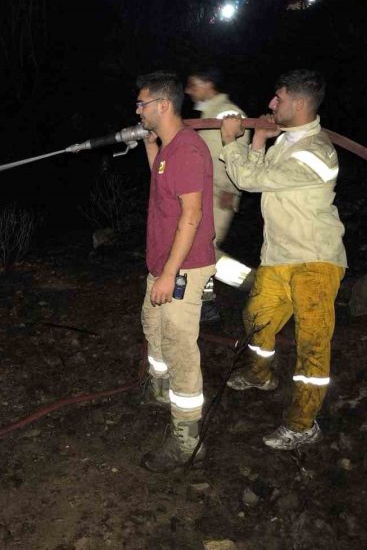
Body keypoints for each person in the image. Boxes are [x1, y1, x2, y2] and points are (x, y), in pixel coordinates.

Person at [219, 69, 347, 450]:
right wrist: (258, 138)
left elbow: (250, 180)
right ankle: (260, 375)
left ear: (301, 103)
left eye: (279, 99)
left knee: (312, 344)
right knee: (257, 320)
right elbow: (261, 172)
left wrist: (232, 142)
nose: (271, 104)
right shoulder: (288, 144)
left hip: (315, 260)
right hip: (277, 257)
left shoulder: (318, 152)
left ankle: (302, 423)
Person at [134, 71, 217, 472]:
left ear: (163, 105)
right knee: (154, 326)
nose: (137, 110)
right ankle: (160, 392)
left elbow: (192, 215)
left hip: (183, 267)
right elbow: (164, 186)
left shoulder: (186, 150)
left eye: (142, 104)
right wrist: (150, 148)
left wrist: (170, 274)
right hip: (164, 263)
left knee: (181, 347)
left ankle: (187, 440)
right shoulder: (169, 149)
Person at [184, 68, 255, 323]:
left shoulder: (226, 113)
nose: (189, 91)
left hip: (217, 192)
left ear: (208, 82)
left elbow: (231, 154)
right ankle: (203, 303)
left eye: (193, 84)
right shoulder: (209, 113)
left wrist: (228, 189)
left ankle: (254, 284)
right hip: (203, 192)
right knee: (195, 248)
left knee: (202, 248)